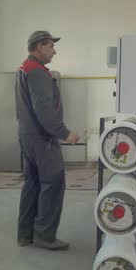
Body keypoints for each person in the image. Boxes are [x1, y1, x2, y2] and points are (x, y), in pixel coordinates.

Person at [14, 31, 80, 251]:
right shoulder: (38, 72)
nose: (54, 50)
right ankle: (44, 236)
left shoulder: (24, 68)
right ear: (39, 47)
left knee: (32, 183)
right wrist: (64, 132)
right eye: (51, 46)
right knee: (53, 183)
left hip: (28, 135)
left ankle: (25, 235)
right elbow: (43, 109)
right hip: (43, 138)